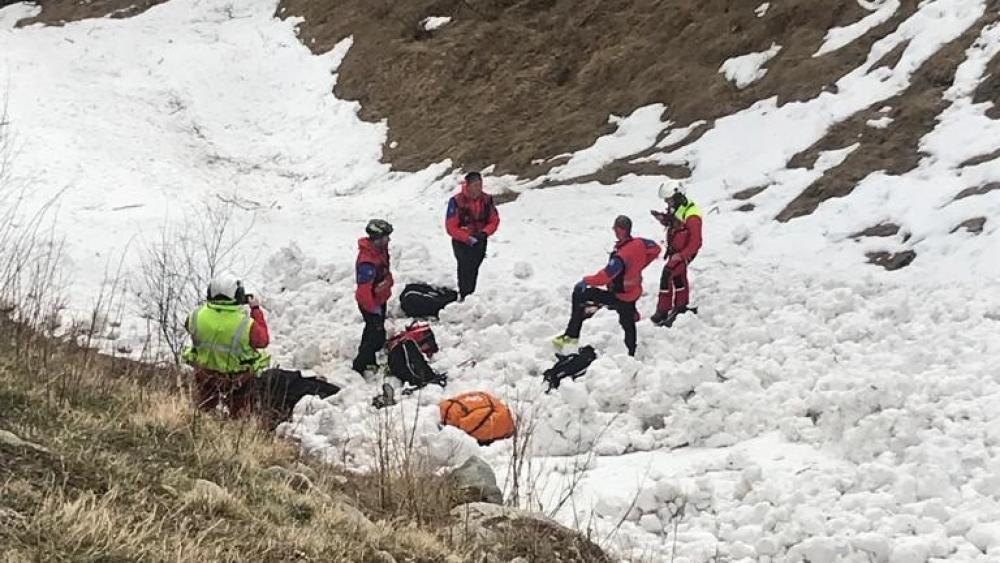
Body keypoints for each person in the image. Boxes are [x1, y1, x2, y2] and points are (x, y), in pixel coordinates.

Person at [553, 216, 661, 357]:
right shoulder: (640, 243)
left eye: (615, 228)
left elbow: (604, 277)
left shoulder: (621, 256)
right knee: (628, 321)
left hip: (619, 295)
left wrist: (585, 281)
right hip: (633, 292)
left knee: (579, 294)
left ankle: (571, 336)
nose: (614, 231)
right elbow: (656, 249)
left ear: (621, 230)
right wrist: (640, 265)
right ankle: (631, 351)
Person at [183, 274, 271, 418]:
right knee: (239, 416)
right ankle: (235, 431)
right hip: (237, 380)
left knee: (203, 413)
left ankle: (201, 428)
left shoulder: (195, 315)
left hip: (205, 374)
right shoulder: (245, 324)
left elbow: (189, 327)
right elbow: (263, 341)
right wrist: (255, 309)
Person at [650, 183, 703, 327]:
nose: (667, 203)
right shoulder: (679, 208)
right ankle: (680, 305)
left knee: (668, 274)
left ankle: (663, 309)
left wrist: (682, 255)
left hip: (685, 252)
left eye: (669, 200)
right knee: (678, 277)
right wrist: (663, 218)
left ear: (678, 197)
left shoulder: (692, 215)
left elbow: (696, 241)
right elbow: (675, 222)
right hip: (677, 250)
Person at [445, 171, 500, 299]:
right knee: (464, 266)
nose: (478, 188)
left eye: (480, 185)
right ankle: (464, 294)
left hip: (480, 239)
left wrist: (485, 233)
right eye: (475, 185)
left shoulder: (487, 200)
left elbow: (494, 220)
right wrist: (467, 238)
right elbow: (451, 226)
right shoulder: (456, 201)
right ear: (468, 186)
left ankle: (470, 295)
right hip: (461, 241)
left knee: (474, 267)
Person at [353, 219, 395, 375]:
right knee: (372, 334)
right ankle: (360, 364)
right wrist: (373, 310)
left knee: (377, 332)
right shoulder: (367, 263)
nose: (389, 240)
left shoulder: (380, 252)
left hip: (379, 300)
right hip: (371, 304)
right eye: (386, 237)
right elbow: (364, 292)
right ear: (377, 238)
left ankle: (370, 360)